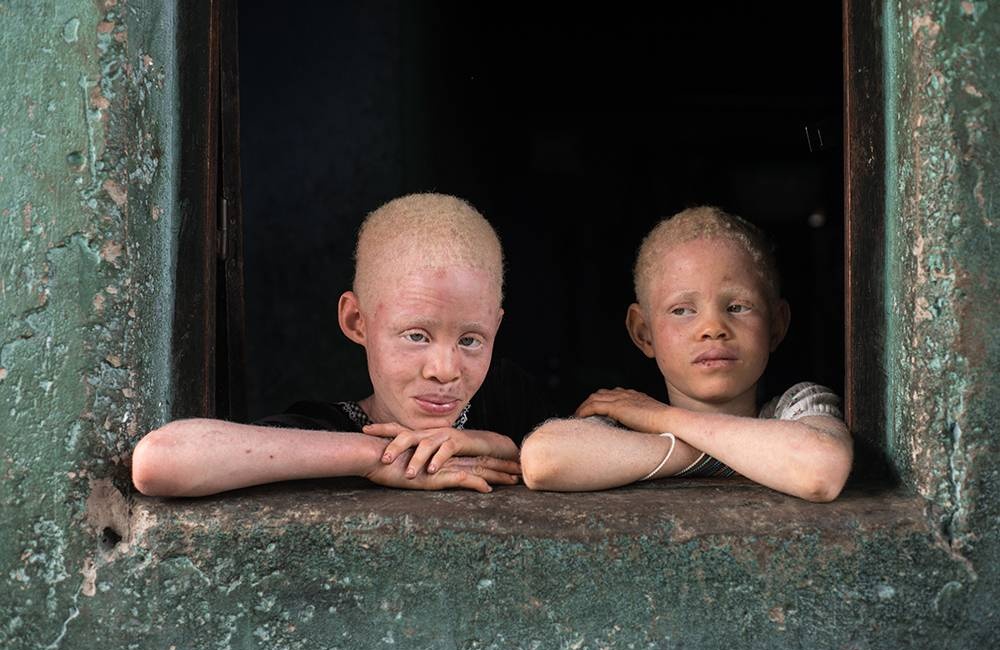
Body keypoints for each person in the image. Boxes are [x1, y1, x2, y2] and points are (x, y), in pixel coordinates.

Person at [132, 193, 551, 497]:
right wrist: (375, 457)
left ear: (496, 328)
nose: (445, 369)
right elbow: (160, 460)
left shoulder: (510, 399)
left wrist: (503, 446)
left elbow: (568, 453)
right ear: (356, 322)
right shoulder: (328, 430)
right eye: (416, 336)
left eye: (471, 340)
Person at [520, 206, 853, 502]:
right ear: (642, 333)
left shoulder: (797, 407)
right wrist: (697, 446)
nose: (712, 327)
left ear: (776, 326)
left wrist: (664, 420)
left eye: (737, 307)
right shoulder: (625, 422)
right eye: (682, 310)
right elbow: (543, 459)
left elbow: (821, 469)